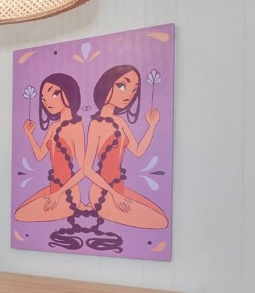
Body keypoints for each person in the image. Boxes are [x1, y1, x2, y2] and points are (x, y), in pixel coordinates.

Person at [78, 64, 168, 233]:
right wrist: (114, 194)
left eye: (134, 90)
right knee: (159, 221)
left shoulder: (120, 122)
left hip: (120, 189)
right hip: (103, 193)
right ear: (106, 86)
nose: (129, 94)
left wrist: (152, 125)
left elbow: (138, 151)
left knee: (161, 217)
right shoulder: (96, 124)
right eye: (122, 86)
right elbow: (86, 169)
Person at [14, 73, 86, 223]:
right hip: (53, 187)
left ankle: (76, 205)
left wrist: (59, 193)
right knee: (19, 213)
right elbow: (40, 155)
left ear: (69, 93)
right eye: (43, 99)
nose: (47, 102)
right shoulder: (53, 127)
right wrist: (29, 134)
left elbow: (83, 171)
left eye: (54, 94)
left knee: (21, 215)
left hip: (68, 193)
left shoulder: (76, 127)